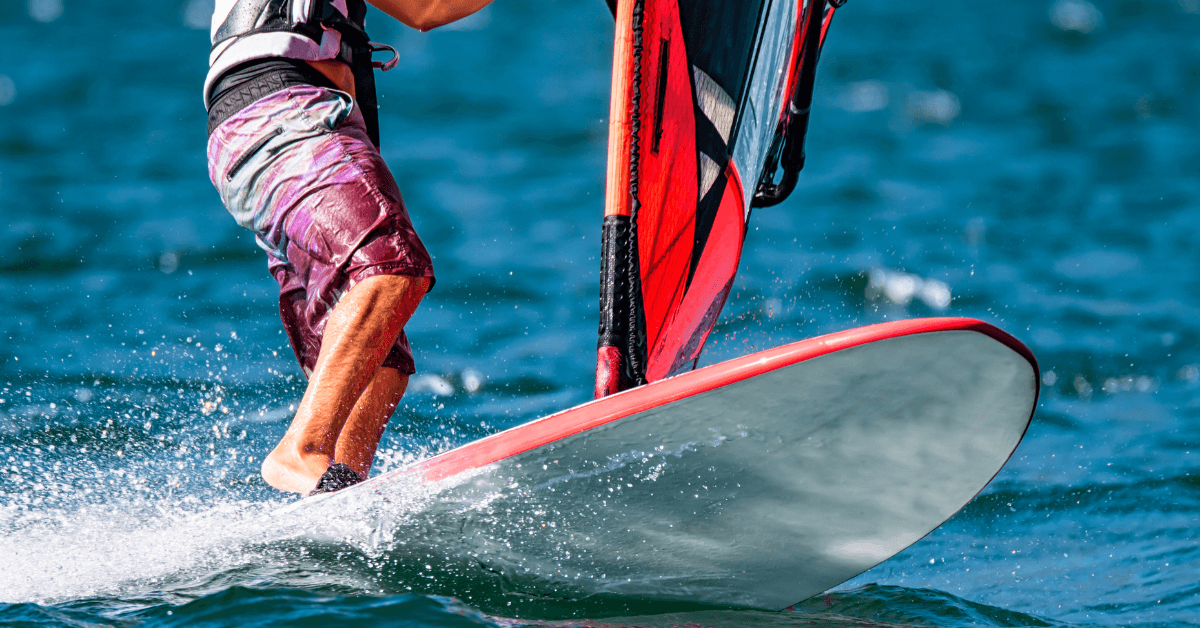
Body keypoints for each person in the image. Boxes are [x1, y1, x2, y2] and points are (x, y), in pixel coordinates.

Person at [204, 0, 493, 495]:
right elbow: (427, 7)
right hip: (284, 114)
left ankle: (336, 495)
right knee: (390, 270)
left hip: (254, 136)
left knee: (382, 363)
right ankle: (302, 449)